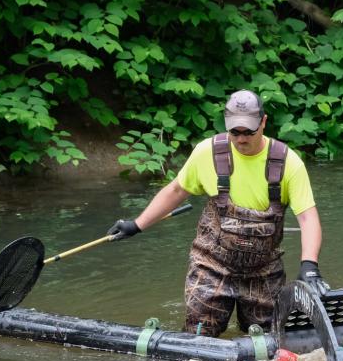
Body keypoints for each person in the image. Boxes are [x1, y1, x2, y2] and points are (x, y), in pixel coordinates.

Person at [107, 89, 329, 337]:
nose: (241, 139)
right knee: (198, 335)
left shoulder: (288, 162)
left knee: (269, 340)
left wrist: (309, 266)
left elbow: (308, 218)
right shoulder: (208, 153)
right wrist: (136, 225)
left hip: (264, 271)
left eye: (249, 132)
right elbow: (177, 190)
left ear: (263, 123)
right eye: (235, 131)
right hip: (211, 266)